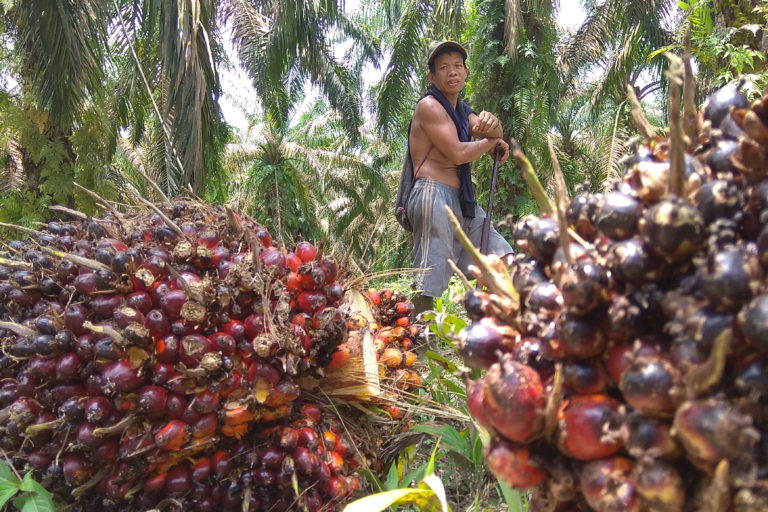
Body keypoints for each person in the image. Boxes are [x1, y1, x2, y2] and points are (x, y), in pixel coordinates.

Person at [406, 40, 514, 315]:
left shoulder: (464, 111)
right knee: (429, 274)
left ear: (466, 72)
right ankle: (418, 340)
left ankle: (488, 327)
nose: (452, 72)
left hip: (463, 201)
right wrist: (494, 142)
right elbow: (457, 153)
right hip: (433, 195)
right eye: (444, 67)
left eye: (457, 66)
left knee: (499, 256)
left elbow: (485, 129)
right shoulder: (429, 106)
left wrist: (495, 128)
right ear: (432, 77)